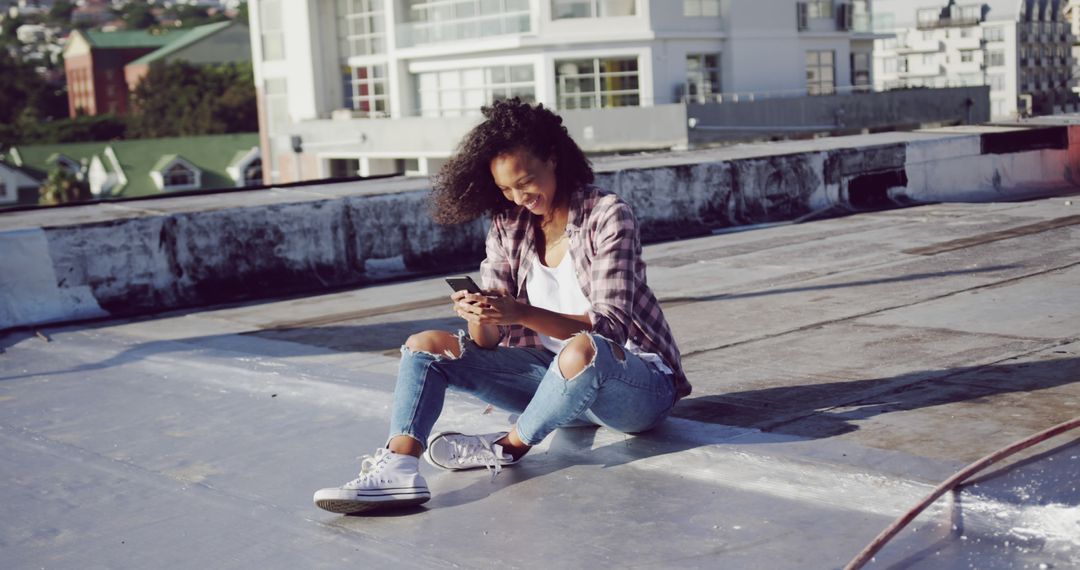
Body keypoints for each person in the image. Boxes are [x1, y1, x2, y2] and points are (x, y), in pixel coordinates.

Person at [313, 99, 692, 514]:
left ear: (553, 159)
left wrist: (519, 312)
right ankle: (400, 465)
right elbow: (488, 342)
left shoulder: (606, 214)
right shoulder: (508, 225)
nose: (518, 197)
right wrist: (483, 314)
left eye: (526, 182)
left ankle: (507, 447)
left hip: (632, 388)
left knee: (583, 348)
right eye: (506, 190)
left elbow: (611, 328)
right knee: (425, 344)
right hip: (552, 389)